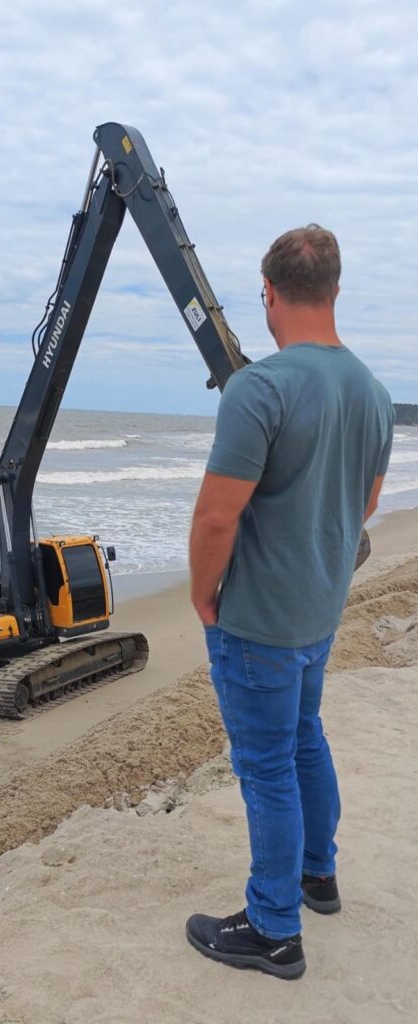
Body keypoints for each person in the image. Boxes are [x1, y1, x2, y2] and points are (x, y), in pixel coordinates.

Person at [186, 224, 394, 980]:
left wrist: (203, 595)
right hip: (316, 609)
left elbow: (216, 516)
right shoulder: (371, 392)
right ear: (334, 292)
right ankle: (316, 875)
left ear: (268, 294)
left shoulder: (260, 387)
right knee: (304, 737)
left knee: (267, 765)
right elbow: (363, 505)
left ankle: (273, 927)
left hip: (260, 617)